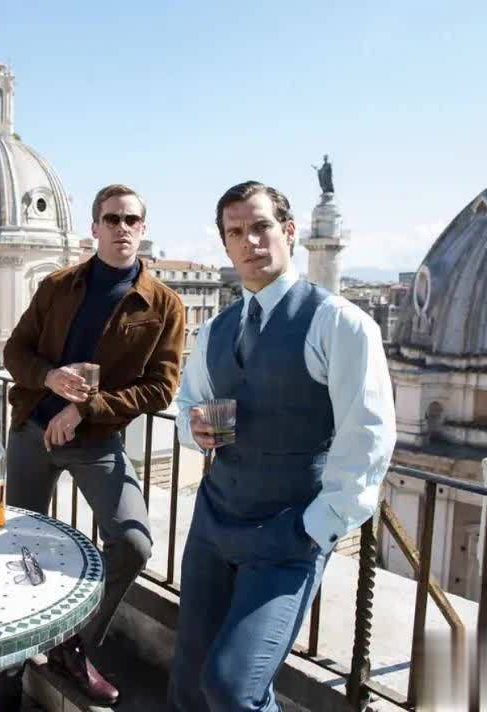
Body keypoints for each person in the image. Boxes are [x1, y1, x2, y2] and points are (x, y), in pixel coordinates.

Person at [167, 181, 396, 712]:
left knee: (234, 689)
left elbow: (368, 437)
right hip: (214, 523)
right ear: (225, 245)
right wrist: (192, 427)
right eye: (235, 232)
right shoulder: (216, 330)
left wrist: (314, 528)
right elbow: (188, 404)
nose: (250, 241)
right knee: (188, 682)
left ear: (289, 232)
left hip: (287, 534)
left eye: (261, 226)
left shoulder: (340, 323)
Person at [0, 184, 185, 708]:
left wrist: (85, 409)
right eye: (112, 218)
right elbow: (15, 351)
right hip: (33, 432)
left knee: (133, 543)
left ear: (143, 228)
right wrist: (49, 378)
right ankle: (6, 678)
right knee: (16, 549)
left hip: (96, 439)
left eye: (132, 219)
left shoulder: (163, 304)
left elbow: (161, 388)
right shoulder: (58, 285)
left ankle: (71, 644)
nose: (122, 228)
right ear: (95, 227)